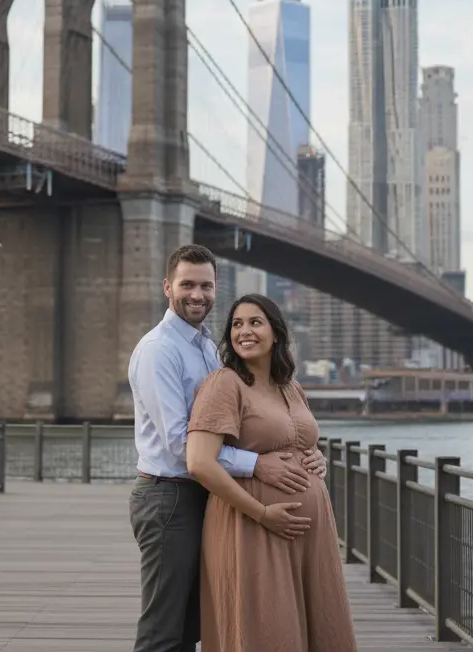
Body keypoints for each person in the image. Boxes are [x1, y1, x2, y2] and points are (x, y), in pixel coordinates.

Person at [128, 245, 328, 652]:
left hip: (207, 496)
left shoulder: (206, 347)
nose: (197, 294)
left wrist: (308, 455)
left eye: (206, 285)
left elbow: (236, 426)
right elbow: (182, 443)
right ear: (168, 287)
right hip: (170, 498)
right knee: (164, 628)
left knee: (194, 624)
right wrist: (257, 465)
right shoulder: (159, 349)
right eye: (187, 285)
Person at [186, 293, 358, 652]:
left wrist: (317, 457)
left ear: (276, 333)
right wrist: (263, 513)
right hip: (252, 526)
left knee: (319, 623)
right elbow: (200, 462)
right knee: (268, 627)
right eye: (236, 324)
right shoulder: (225, 383)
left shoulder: (292, 387)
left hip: (308, 534)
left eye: (255, 322)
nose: (244, 331)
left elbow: (298, 438)